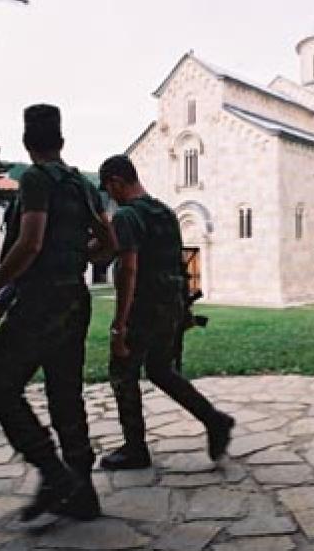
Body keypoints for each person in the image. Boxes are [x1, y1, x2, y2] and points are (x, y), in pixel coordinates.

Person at [0, 104, 117, 522]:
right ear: (61, 140)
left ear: (26, 141)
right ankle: (82, 495)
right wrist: (76, 255)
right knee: (65, 396)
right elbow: (108, 244)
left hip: (40, 303)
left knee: (0, 388)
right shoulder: (82, 186)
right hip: (75, 300)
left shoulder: (36, 179)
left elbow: (30, 242)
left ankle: (55, 475)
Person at [98, 154, 235, 470]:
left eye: (109, 190)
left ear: (116, 182)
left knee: (122, 372)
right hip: (170, 306)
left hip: (144, 309)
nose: (111, 198)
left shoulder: (128, 217)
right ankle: (214, 420)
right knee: (160, 370)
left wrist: (119, 324)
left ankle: (135, 448)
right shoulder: (165, 212)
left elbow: (128, 270)